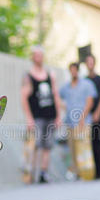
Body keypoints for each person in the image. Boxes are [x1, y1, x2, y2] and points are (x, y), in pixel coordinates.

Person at [21, 46, 61, 183]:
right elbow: (24, 97)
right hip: (37, 116)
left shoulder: (50, 75)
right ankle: (31, 172)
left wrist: (58, 116)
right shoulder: (29, 76)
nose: (38, 58)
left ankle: (44, 173)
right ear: (33, 57)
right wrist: (29, 118)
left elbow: (55, 95)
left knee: (47, 145)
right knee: (36, 144)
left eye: (40, 55)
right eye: (36, 55)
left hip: (50, 114)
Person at [60, 63, 97, 176]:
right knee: (73, 149)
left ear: (78, 71)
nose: (73, 72)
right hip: (70, 122)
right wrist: (64, 108)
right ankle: (77, 173)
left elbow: (90, 102)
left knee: (84, 148)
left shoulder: (87, 84)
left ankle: (88, 173)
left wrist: (82, 118)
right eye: (71, 70)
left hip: (84, 122)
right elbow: (57, 97)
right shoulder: (65, 87)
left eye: (75, 70)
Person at [85, 54, 100, 179]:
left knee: (98, 142)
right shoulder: (84, 80)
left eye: (91, 62)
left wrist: (97, 112)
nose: (90, 64)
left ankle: (99, 171)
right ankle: (90, 170)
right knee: (89, 144)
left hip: (98, 117)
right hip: (87, 117)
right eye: (88, 62)